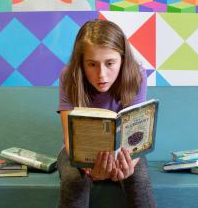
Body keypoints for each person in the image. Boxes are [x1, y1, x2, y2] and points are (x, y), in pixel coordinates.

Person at [57, 19, 157, 208]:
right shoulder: (68, 76)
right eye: (92, 64)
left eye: (110, 63)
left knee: (139, 180)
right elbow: (69, 138)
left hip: (125, 151)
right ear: (81, 63)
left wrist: (128, 166)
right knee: (72, 179)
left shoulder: (137, 75)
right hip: (80, 152)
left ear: (123, 59)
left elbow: (137, 137)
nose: (101, 74)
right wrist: (89, 170)